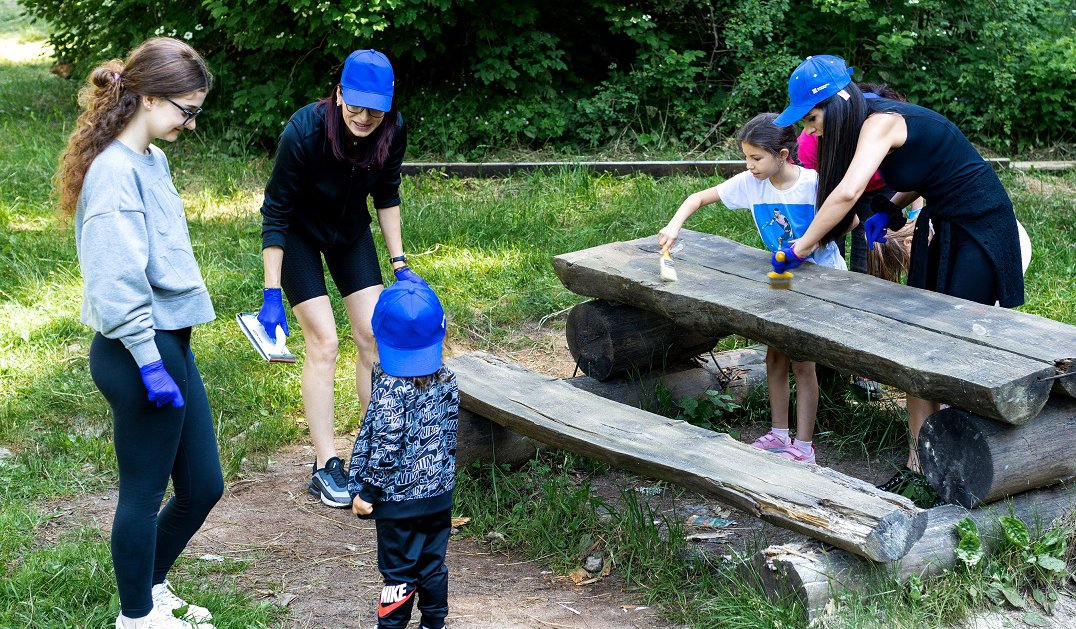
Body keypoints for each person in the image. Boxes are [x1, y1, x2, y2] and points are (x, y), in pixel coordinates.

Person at [769, 55, 1025, 496]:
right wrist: (891, 207)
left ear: (836, 104)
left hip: (980, 226)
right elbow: (927, 169)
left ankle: (970, 460)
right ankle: (917, 467)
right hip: (942, 223)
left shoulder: (879, 122)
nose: (810, 131)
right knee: (922, 342)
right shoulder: (866, 123)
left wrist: (802, 246)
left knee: (953, 341)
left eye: (811, 119)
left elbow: (848, 192)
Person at [58, 37, 223, 628]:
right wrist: (150, 360)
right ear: (150, 98)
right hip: (136, 352)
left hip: (169, 343)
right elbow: (116, 281)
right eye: (187, 109)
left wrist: (167, 351)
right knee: (143, 492)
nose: (192, 122)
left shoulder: (152, 160)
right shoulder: (113, 176)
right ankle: (135, 617)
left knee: (203, 484)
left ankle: (149, 587)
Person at [255, 49, 420, 508]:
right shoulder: (304, 130)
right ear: (339, 92)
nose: (365, 118)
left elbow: (387, 196)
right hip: (299, 236)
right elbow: (276, 212)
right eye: (356, 106)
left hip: (349, 233)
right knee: (324, 341)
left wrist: (400, 263)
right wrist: (272, 292)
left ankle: (369, 455)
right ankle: (326, 464)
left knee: (372, 335)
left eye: (376, 109)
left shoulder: (393, 128)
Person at [659, 113, 847, 464]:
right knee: (775, 356)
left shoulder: (813, 183)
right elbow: (697, 198)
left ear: (784, 155)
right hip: (785, 283)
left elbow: (847, 217)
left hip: (822, 284)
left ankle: (804, 448)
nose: (750, 165)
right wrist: (673, 227)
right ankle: (779, 434)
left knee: (803, 364)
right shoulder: (752, 182)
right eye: (746, 157)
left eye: (756, 158)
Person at [798, 81, 924, 400]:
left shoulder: (887, 128)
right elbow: (826, 195)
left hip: (880, 190)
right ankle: (824, 355)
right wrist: (814, 239)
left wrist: (912, 215)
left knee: (865, 270)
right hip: (836, 188)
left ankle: (864, 364)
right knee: (828, 267)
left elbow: (916, 177)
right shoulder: (812, 142)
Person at [348, 280, 458, 629]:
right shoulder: (448, 379)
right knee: (432, 564)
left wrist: (368, 492)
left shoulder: (390, 388)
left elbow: (386, 443)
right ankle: (433, 623)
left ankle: (392, 626)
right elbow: (450, 434)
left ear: (379, 333)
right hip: (438, 495)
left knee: (397, 572)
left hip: (397, 501)